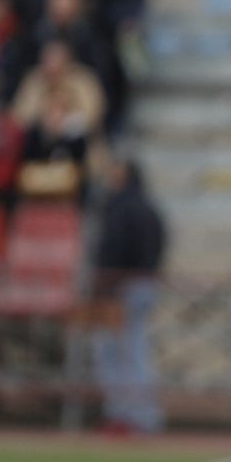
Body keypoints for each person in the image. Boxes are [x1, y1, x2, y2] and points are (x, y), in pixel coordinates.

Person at [92, 159, 167, 435]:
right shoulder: (149, 207)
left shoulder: (121, 207)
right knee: (132, 351)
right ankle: (136, 414)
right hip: (143, 284)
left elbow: (113, 248)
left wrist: (105, 283)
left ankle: (130, 415)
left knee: (121, 353)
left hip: (122, 286)